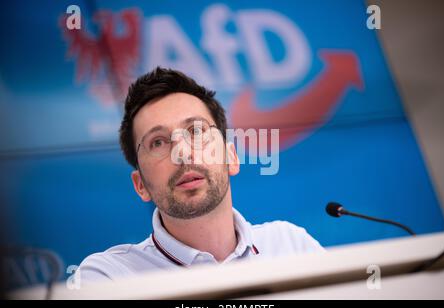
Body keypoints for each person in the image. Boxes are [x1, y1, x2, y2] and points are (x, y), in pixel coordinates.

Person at [77, 67, 324, 283]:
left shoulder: (291, 246)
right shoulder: (110, 277)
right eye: (158, 142)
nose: (182, 153)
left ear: (231, 157)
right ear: (140, 185)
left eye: (196, 130)